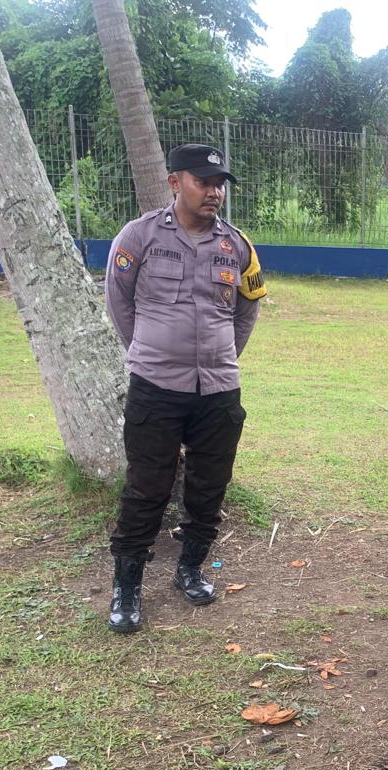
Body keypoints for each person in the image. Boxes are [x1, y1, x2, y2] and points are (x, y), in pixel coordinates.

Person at [102, 143, 267, 633]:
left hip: (218, 389)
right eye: (203, 182)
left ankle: (190, 569)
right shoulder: (139, 236)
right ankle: (127, 587)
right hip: (156, 386)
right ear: (175, 182)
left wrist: (223, 355)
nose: (214, 192)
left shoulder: (237, 245)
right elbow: (118, 300)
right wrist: (149, 351)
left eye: (219, 184)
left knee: (209, 485)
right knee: (146, 488)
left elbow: (248, 307)